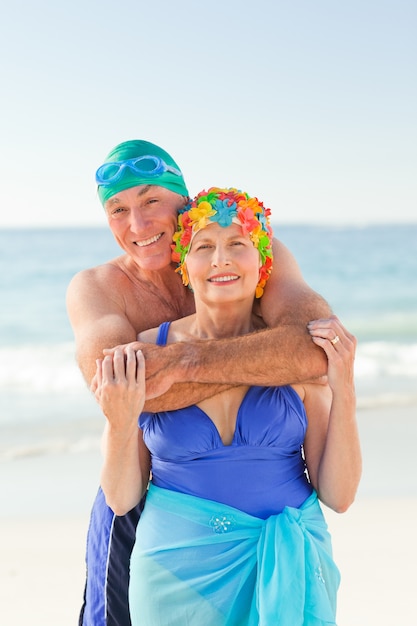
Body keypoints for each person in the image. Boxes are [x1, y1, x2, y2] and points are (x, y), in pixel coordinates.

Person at [66, 140, 332, 626]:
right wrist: (260, 358)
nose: (137, 226)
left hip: (252, 503)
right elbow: (121, 390)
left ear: (184, 200)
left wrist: (183, 361)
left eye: (151, 201)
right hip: (141, 493)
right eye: (118, 210)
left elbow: (315, 351)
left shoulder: (243, 252)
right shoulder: (98, 288)